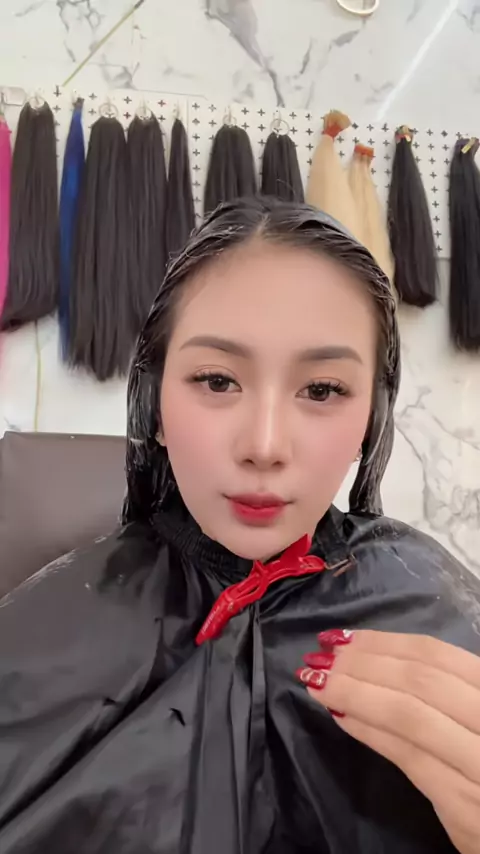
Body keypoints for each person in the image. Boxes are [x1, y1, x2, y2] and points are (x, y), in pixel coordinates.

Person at [0, 197, 479, 854]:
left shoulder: (439, 620)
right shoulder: (42, 634)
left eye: (322, 390)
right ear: (154, 404)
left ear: (372, 418)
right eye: (218, 380)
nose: (264, 445)